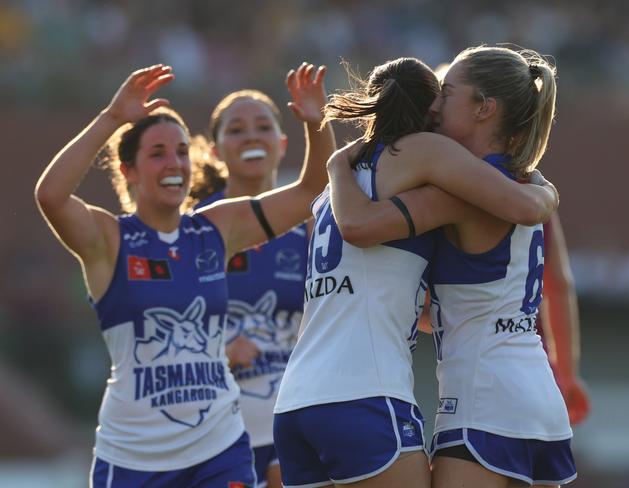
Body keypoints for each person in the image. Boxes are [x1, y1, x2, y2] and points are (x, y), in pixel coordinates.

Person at [34, 63, 334, 487]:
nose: (174, 163)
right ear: (128, 170)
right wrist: (113, 119)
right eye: (157, 154)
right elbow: (51, 195)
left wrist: (317, 123)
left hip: (221, 447)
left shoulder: (214, 229)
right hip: (133, 456)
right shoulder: (109, 240)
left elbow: (311, 191)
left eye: (179, 152)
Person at [272, 56, 559, 488]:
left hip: (299, 398)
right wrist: (546, 191)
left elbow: (363, 239)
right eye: (438, 95)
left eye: (449, 94)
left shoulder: (337, 189)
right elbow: (526, 212)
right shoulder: (470, 171)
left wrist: (334, 165)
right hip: (492, 393)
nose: (440, 108)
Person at [189, 78, 326, 488]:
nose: (251, 136)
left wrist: (317, 123)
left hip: (293, 421)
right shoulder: (197, 227)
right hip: (218, 427)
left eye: (263, 126)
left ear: (282, 144)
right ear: (216, 151)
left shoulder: (309, 225)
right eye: (236, 129)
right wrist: (219, 353)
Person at [539, 213, 591, 426]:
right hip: (538, 373)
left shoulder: (454, 191)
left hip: (474, 379)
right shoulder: (535, 189)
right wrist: (567, 378)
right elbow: (559, 286)